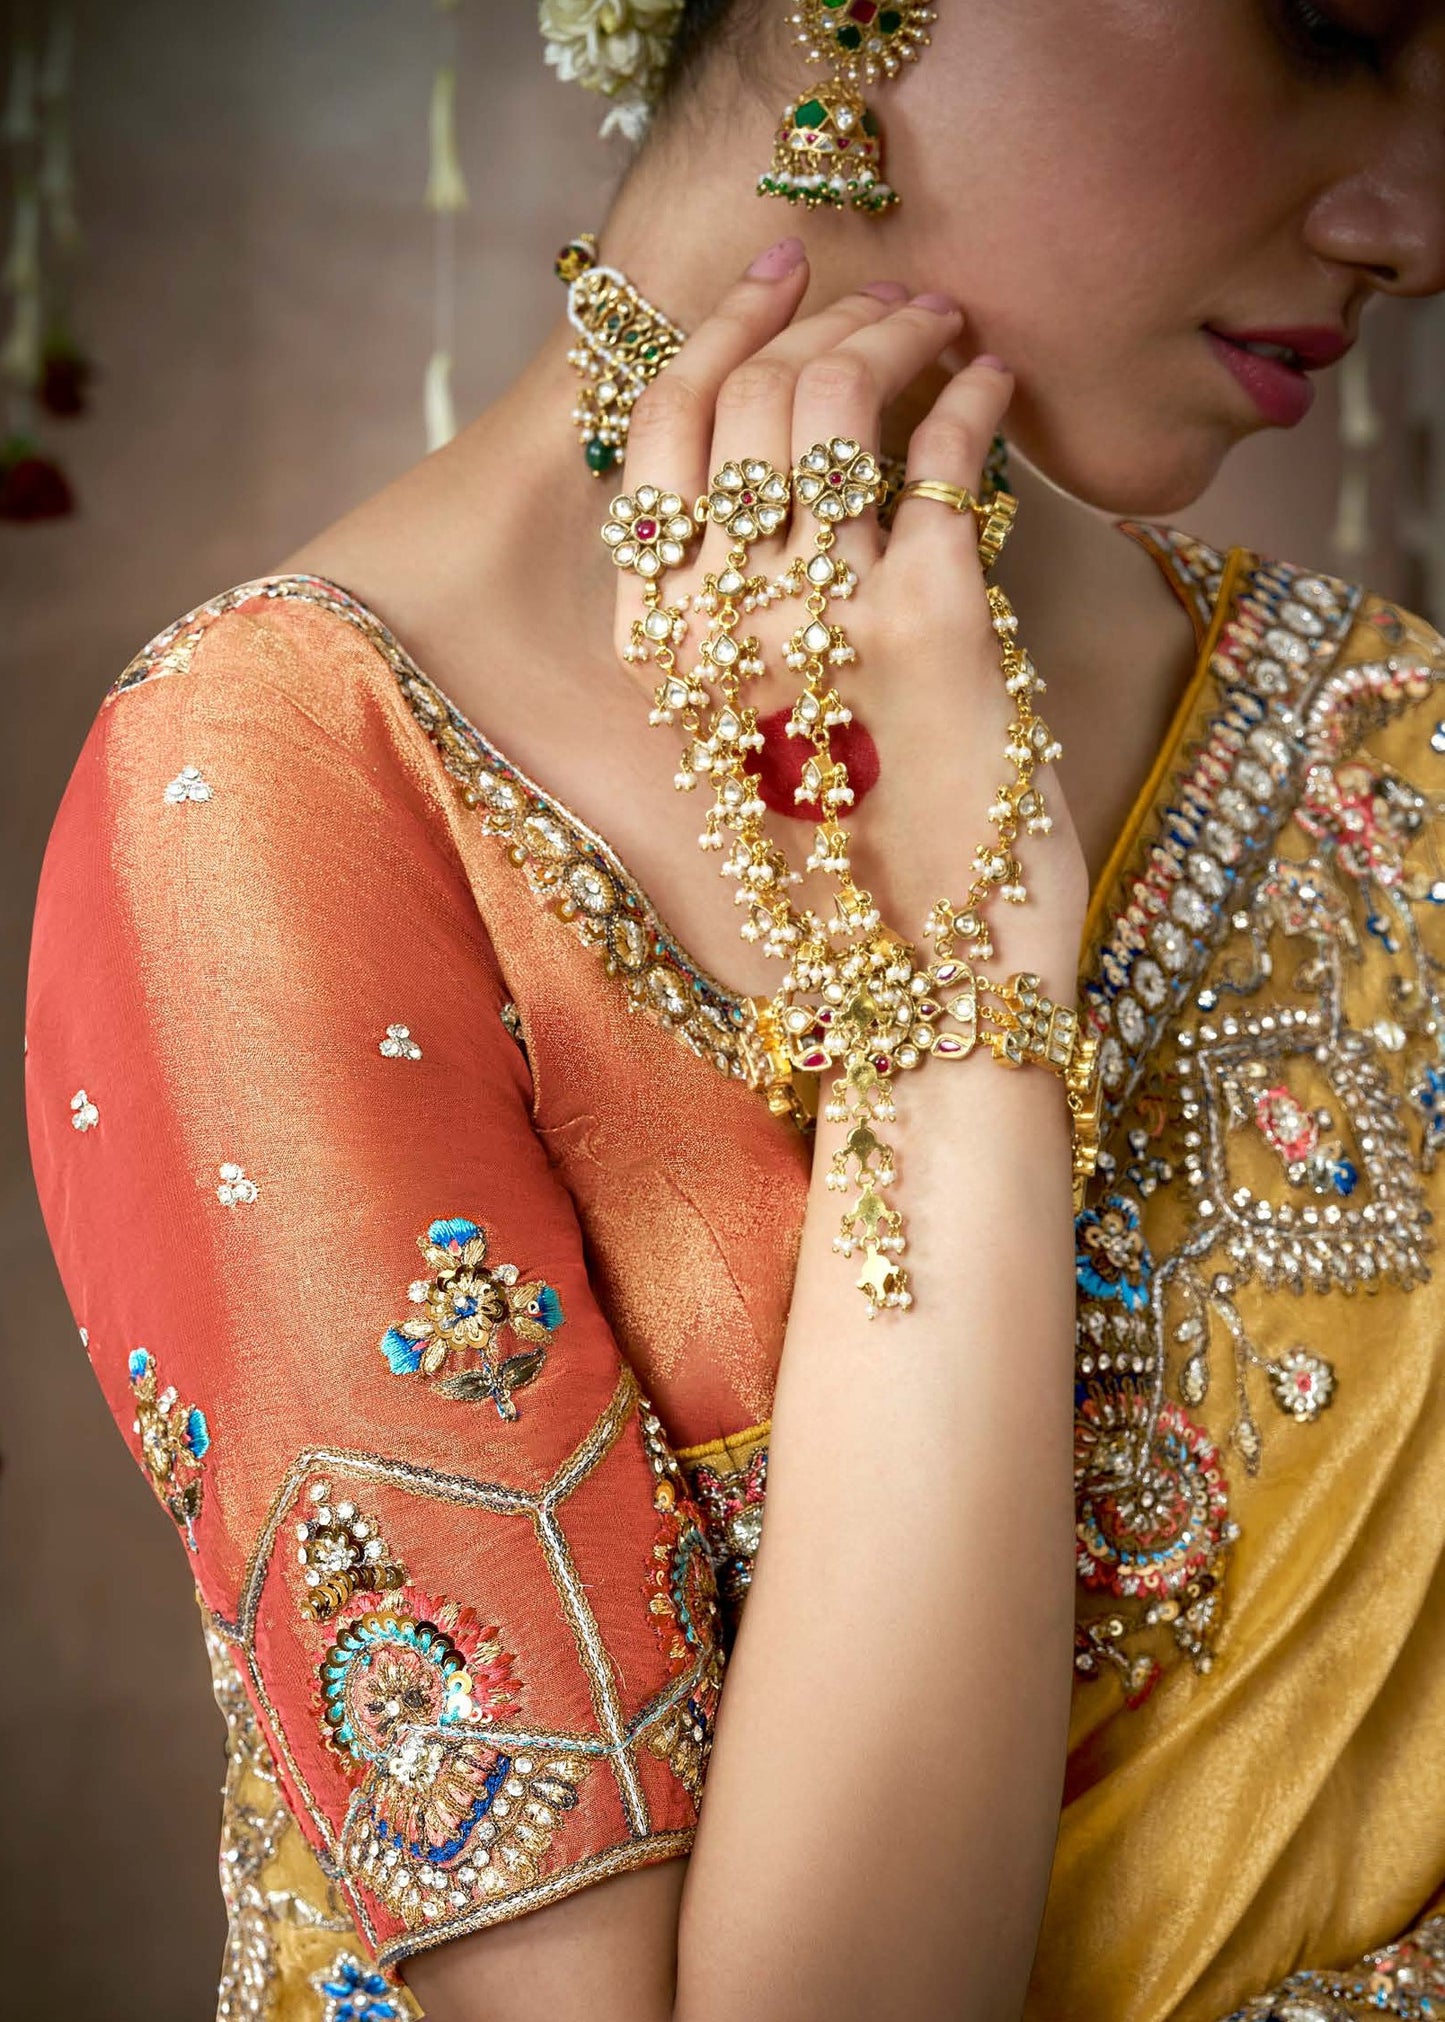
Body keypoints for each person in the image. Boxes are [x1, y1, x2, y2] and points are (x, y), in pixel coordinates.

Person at [24, 2, 1445, 2018]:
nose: (1418, 223)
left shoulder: (1399, 763)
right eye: (1336, 27)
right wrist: (952, 1024)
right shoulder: (293, 794)